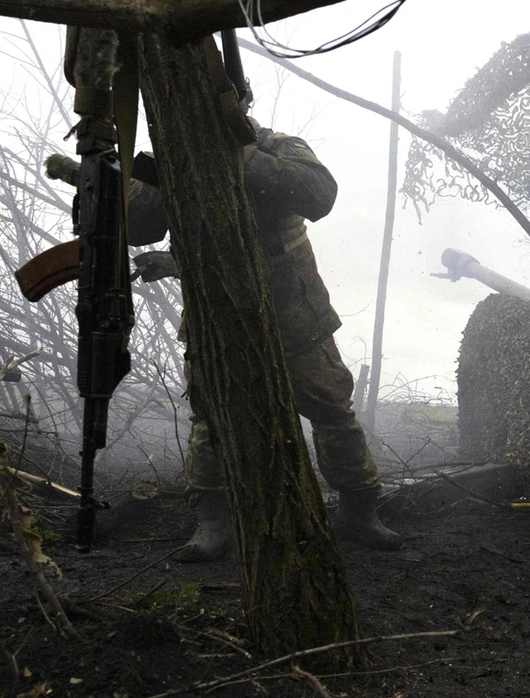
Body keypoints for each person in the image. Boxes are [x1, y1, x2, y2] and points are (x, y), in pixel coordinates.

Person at [45, 118, 403, 561]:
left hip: (291, 312)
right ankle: (214, 519)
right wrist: (100, 175)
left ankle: (358, 508)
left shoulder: (277, 146)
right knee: (210, 418)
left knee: (330, 408)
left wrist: (234, 152)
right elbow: (143, 224)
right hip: (215, 315)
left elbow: (318, 195)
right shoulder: (174, 161)